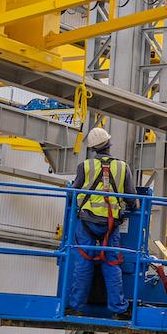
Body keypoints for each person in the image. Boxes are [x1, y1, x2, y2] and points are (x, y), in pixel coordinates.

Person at [66, 127, 139, 319]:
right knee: (111, 264)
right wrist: (133, 207)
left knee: (83, 263)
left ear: (92, 148)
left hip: (87, 223)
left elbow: (72, 193)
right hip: (111, 225)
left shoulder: (85, 166)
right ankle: (118, 308)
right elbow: (132, 199)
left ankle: (76, 307)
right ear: (109, 144)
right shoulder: (123, 167)